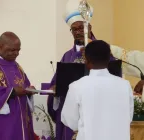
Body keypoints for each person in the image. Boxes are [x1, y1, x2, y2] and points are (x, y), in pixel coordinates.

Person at [47, 0, 115, 139]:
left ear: (89, 27)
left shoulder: (103, 51)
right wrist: (55, 89)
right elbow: (57, 81)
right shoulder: (67, 55)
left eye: (81, 27)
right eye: (74, 29)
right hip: (72, 108)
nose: (78, 32)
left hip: (96, 107)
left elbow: (113, 73)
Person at [61, 40, 134, 140]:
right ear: (109, 59)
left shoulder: (77, 86)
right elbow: (128, 118)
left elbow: (70, 120)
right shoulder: (125, 85)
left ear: (86, 60)